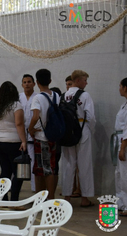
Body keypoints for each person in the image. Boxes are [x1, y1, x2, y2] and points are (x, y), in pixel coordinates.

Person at [61, 70, 96, 207]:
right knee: (84, 165)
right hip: (82, 130)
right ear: (77, 80)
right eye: (84, 80)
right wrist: (90, 130)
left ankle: (67, 196)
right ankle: (85, 199)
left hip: (67, 133)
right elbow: (91, 116)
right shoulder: (85, 95)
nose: (86, 83)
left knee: (68, 165)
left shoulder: (64, 96)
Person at [0, 81, 27, 202]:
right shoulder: (16, 105)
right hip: (13, 141)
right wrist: (24, 141)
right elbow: (19, 124)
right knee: (18, 173)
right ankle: (14, 200)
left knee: (5, 170)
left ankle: (3, 198)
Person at [28, 69, 59, 200]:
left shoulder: (38, 98)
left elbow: (35, 116)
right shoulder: (57, 96)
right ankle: (49, 197)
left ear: (37, 82)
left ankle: (45, 198)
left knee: (43, 169)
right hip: (55, 135)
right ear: (50, 81)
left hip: (42, 136)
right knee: (51, 167)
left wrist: (30, 129)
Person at [19, 74, 37, 192]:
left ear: (34, 84)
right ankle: (11, 186)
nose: (27, 84)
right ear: (22, 84)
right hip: (19, 133)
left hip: (33, 133)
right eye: (24, 82)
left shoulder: (38, 97)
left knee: (33, 161)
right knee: (16, 161)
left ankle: (34, 187)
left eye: (29, 82)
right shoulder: (19, 97)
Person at [115, 78, 127, 216]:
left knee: (125, 175)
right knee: (119, 174)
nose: (119, 88)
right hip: (119, 139)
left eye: (120, 86)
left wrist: (123, 148)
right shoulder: (124, 105)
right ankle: (121, 203)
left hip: (124, 141)